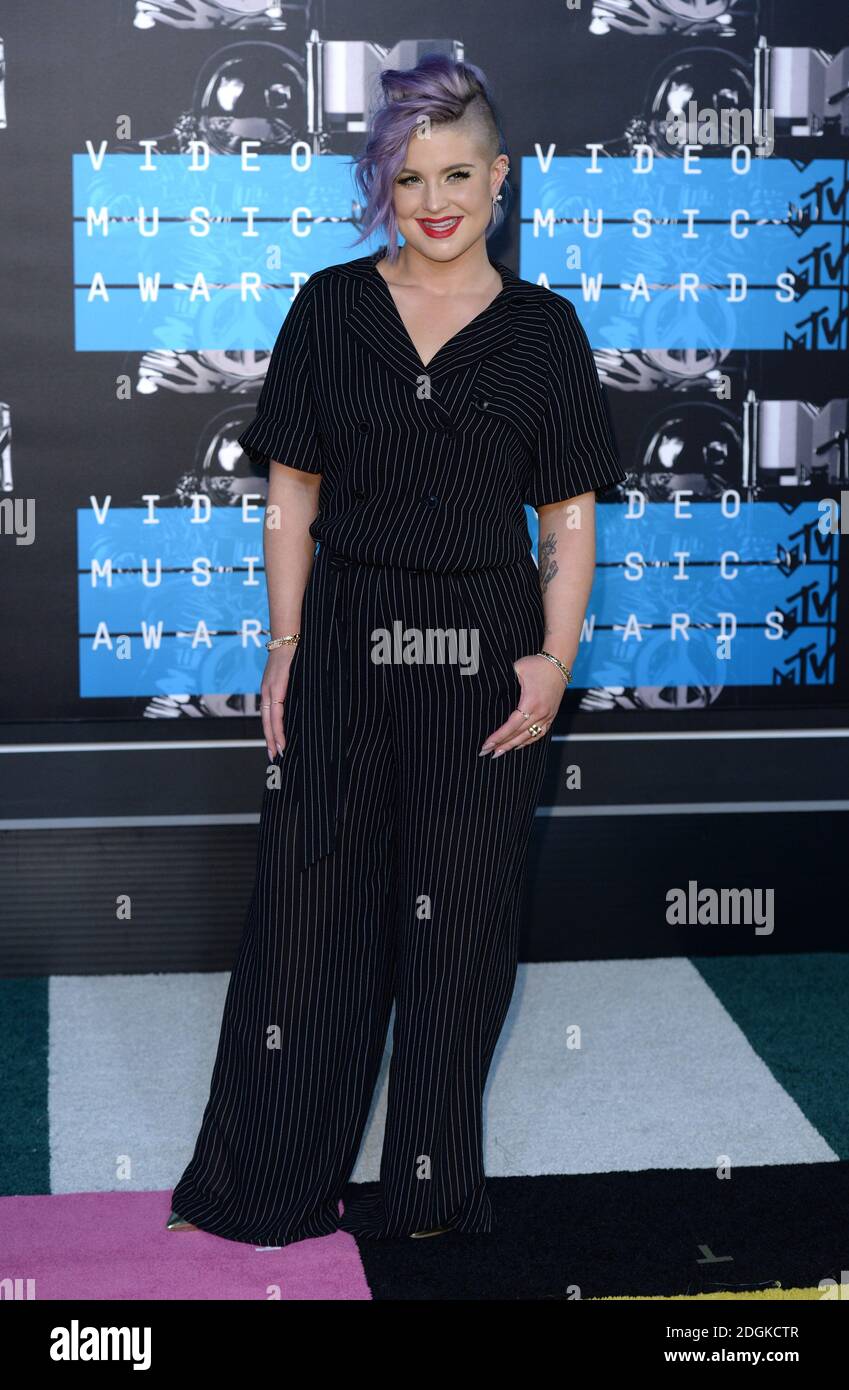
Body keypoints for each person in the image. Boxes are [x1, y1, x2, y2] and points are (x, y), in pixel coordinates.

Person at [168, 53, 627, 1245]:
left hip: (487, 653)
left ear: (502, 177)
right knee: (310, 922)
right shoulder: (329, 307)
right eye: (410, 175)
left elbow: (569, 521)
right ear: (381, 180)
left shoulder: (544, 333)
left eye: (459, 172)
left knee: (463, 929)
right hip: (347, 642)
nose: (436, 200)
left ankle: (431, 1187)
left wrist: (553, 661)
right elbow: (291, 492)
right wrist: (283, 642)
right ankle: (261, 1185)